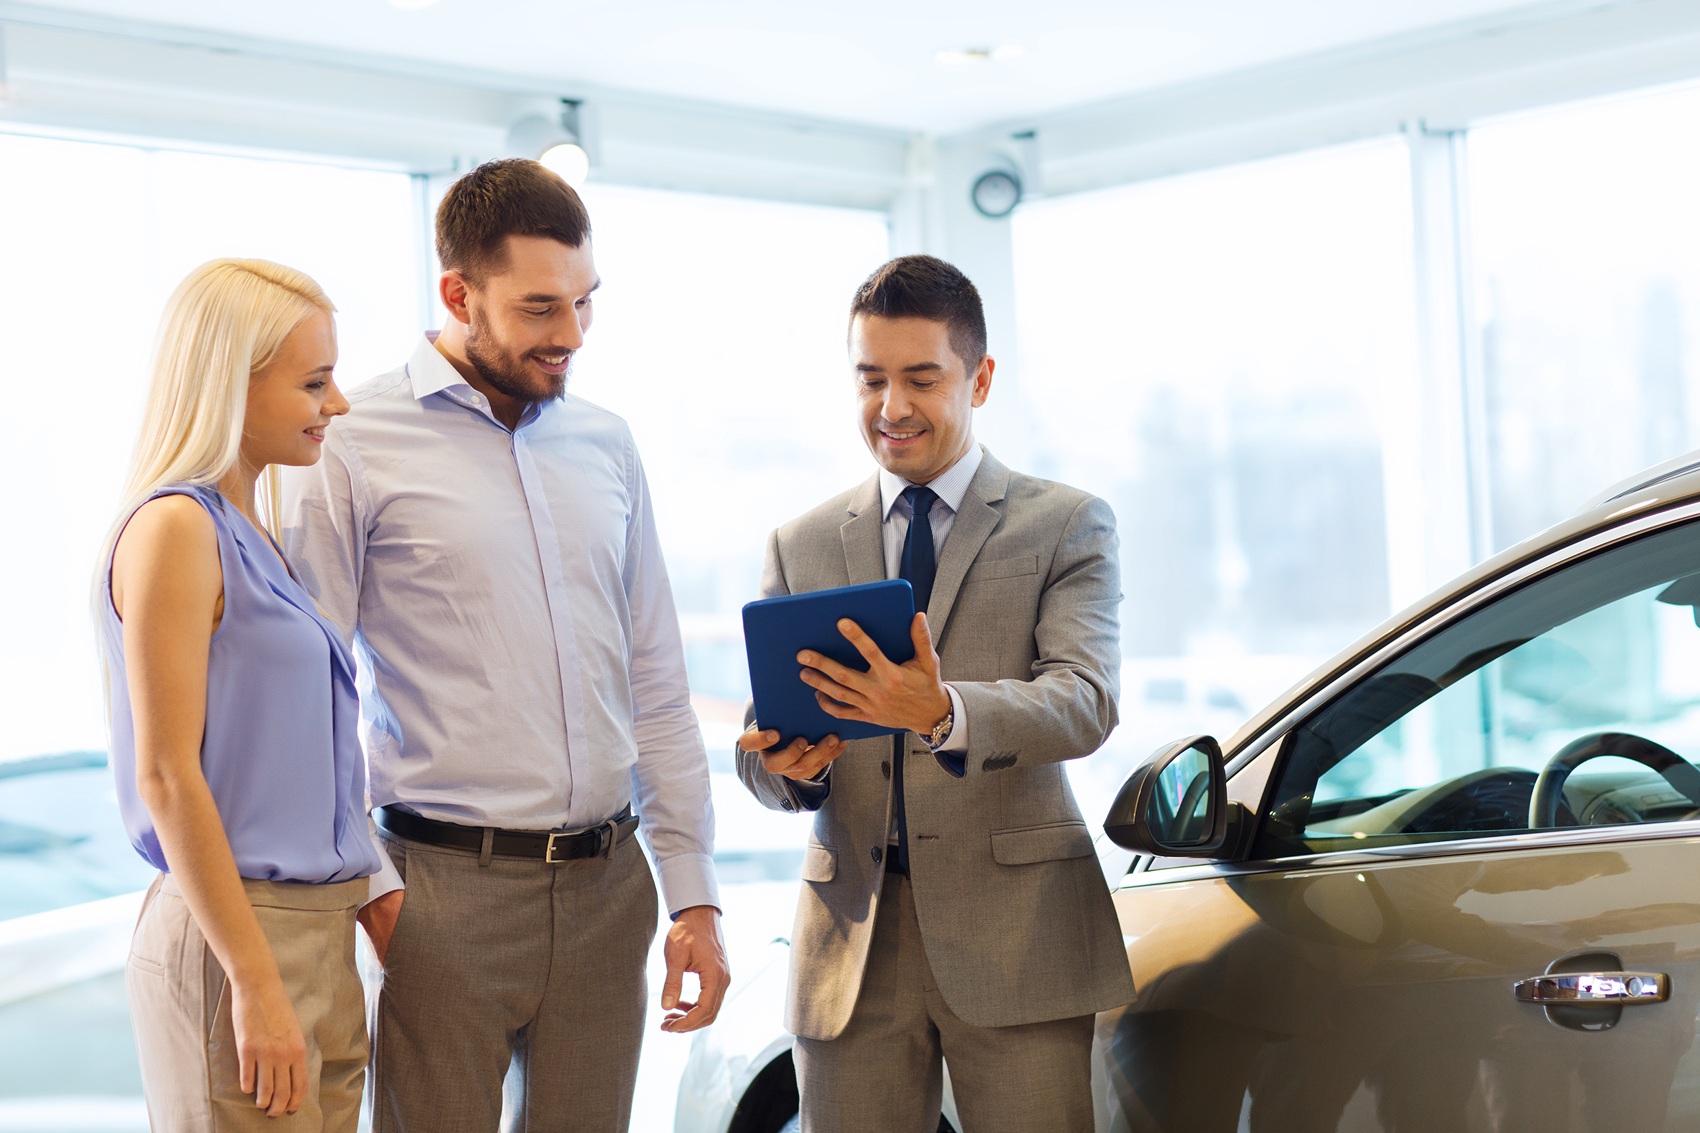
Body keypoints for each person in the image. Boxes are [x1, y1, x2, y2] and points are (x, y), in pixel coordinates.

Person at [280, 158, 728, 1133]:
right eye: (537, 308)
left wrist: (692, 893)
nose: (568, 334)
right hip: (443, 891)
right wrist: (379, 892)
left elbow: (653, 675)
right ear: (457, 293)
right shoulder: (352, 441)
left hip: (613, 891)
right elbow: (310, 693)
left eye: (584, 303)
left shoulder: (608, 443)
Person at [736, 254, 1135, 1131]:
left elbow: (1084, 698)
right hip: (851, 946)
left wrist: (941, 712)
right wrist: (786, 765)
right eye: (871, 378)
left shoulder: (1066, 522)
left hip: (1018, 938)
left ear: (980, 378)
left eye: (922, 378)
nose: (892, 407)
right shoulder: (798, 542)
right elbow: (764, 750)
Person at [98, 258, 380, 1130]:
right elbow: (167, 775)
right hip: (239, 938)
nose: (338, 405)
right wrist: (255, 982)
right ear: (231, 383)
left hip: (316, 936)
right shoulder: (177, 526)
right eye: (314, 382)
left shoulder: (256, 529)